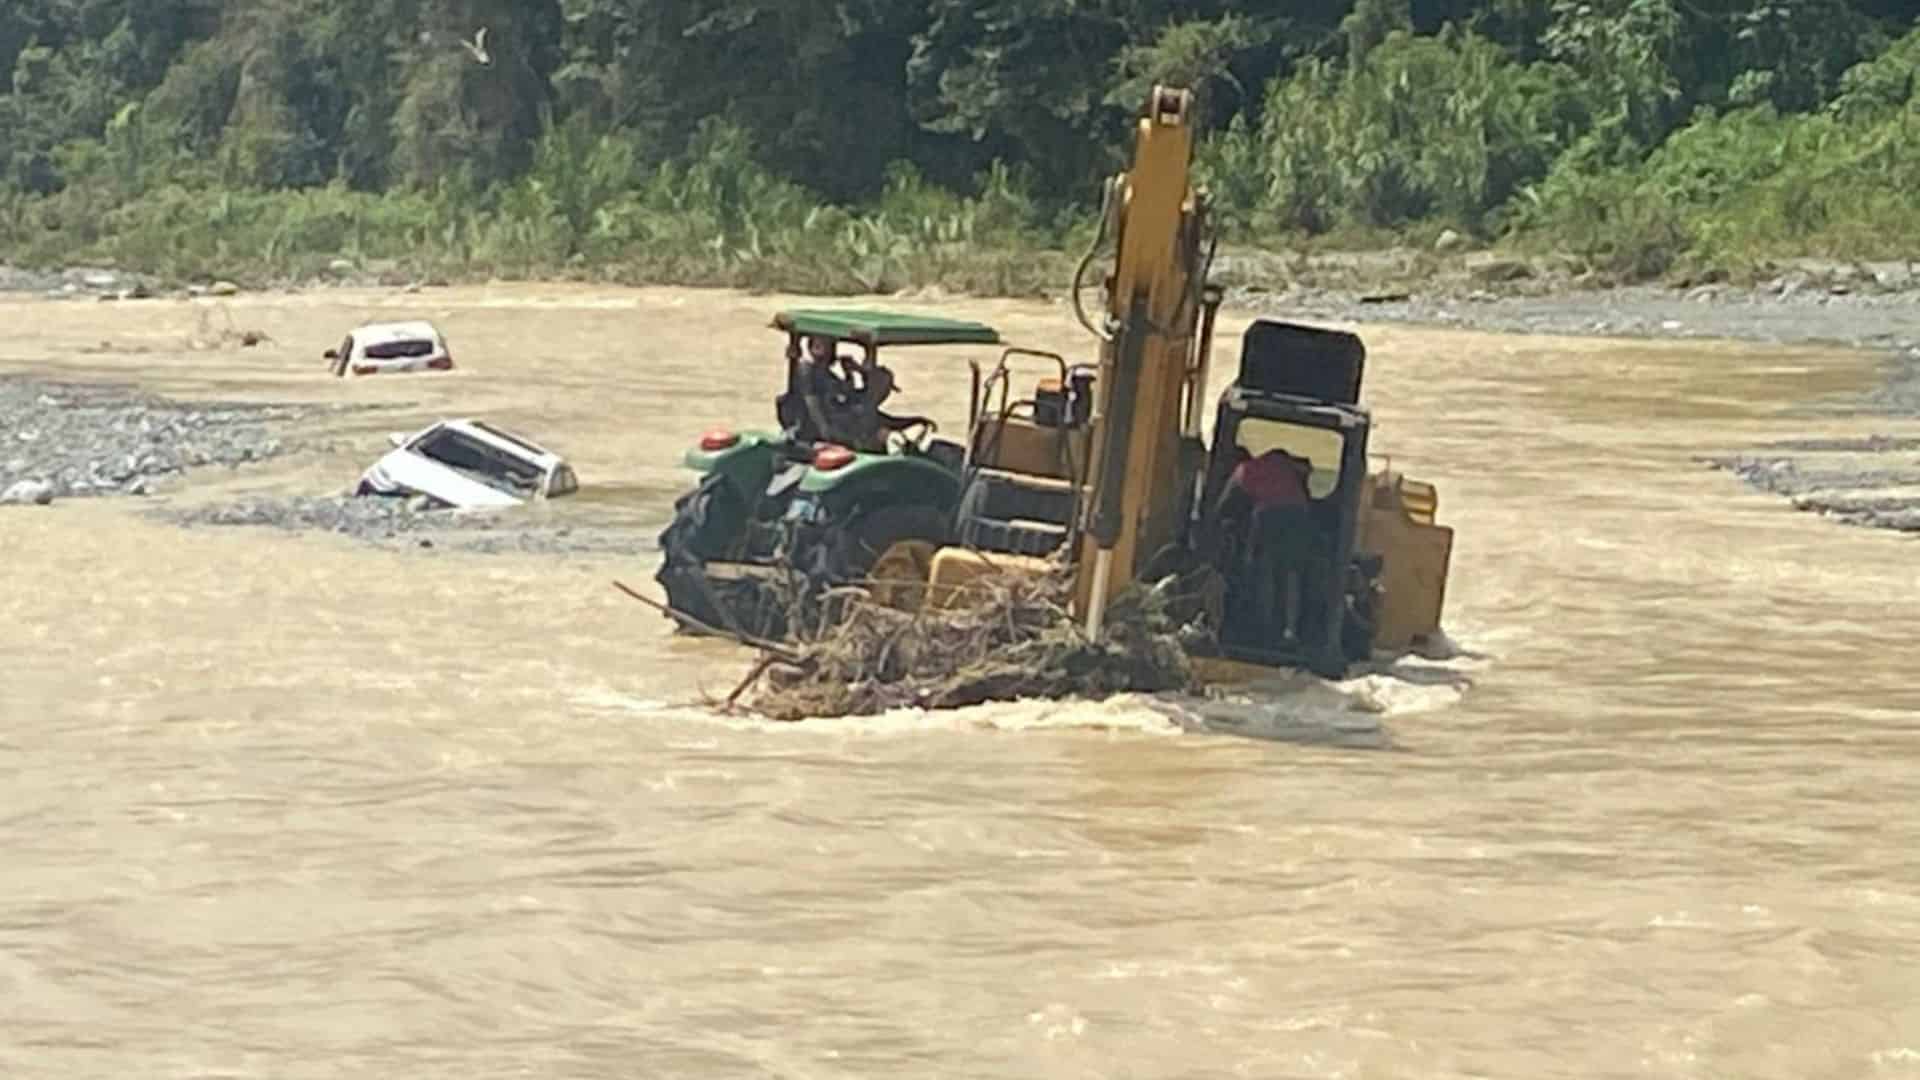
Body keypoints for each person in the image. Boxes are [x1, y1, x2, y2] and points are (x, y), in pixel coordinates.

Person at [1212, 447, 1318, 644]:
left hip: (1270, 516)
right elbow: (1305, 478)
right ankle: (1289, 629)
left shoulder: (1243, 470)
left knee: (1260, 568)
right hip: (1299, 517)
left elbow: (1223, 506)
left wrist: (1215, 524)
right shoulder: (1280, 462)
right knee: (1289, 573)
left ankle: (1262, 626)